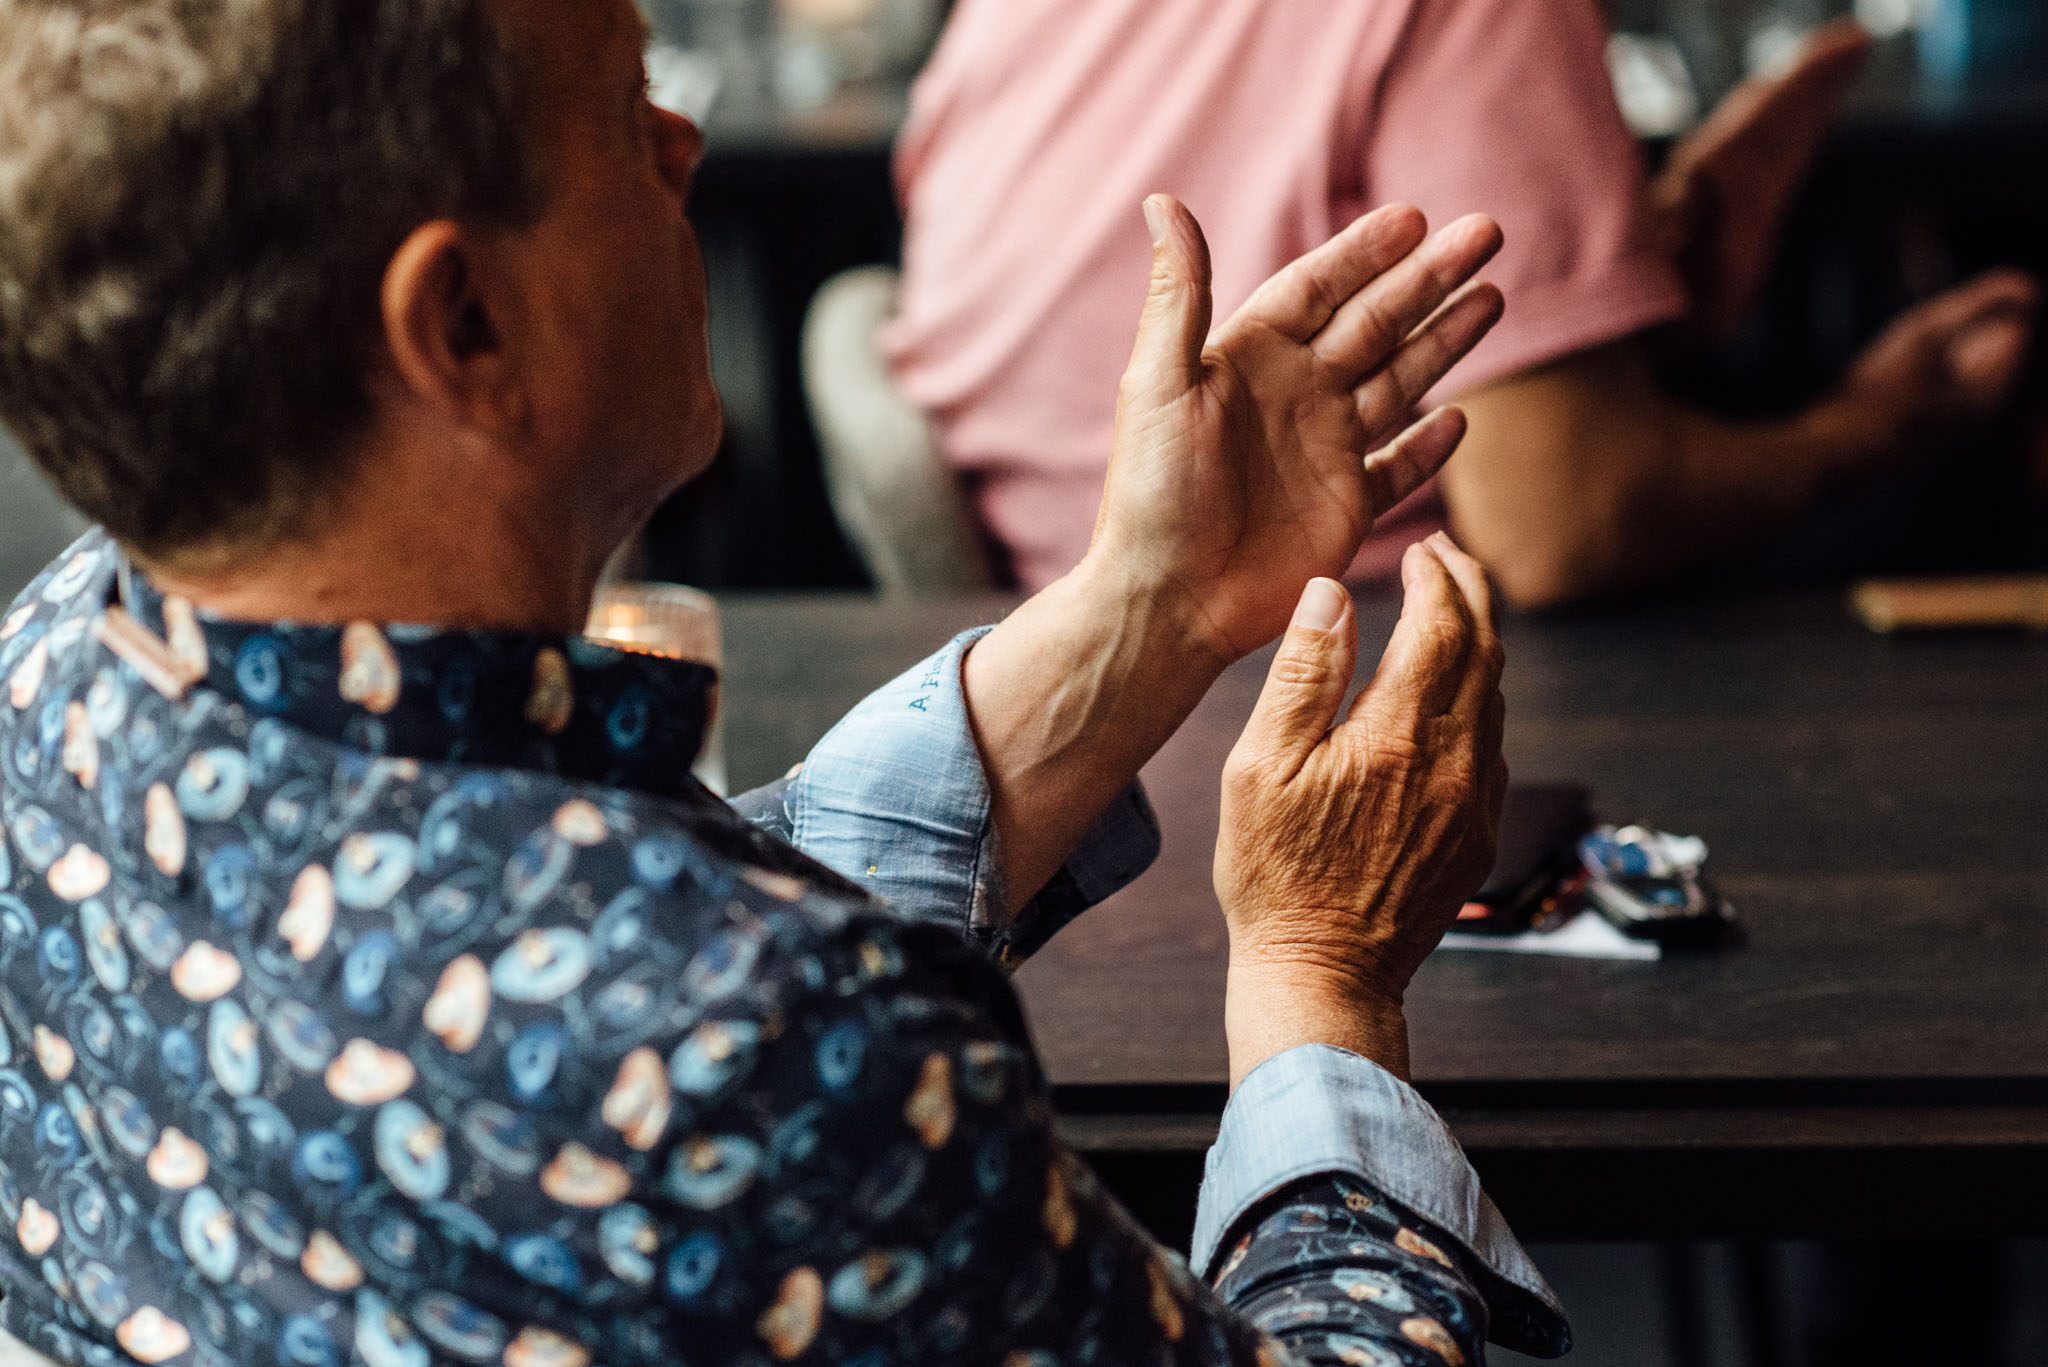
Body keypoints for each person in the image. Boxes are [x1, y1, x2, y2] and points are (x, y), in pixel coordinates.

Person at [0, 1, 1567, 1364]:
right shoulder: (744, 1069)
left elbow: (624, 943)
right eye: (624, 112)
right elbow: (713, 1021)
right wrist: (1317, 978)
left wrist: (1147, 609)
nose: (686, 144)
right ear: (464, 322)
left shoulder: (60, 673)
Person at [885, 0, 2040, 604]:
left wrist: (1616, 305)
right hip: (1308, 683)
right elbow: (1563, 527)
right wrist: (1876, 426)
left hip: (1052, 641)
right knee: (1966, 480)